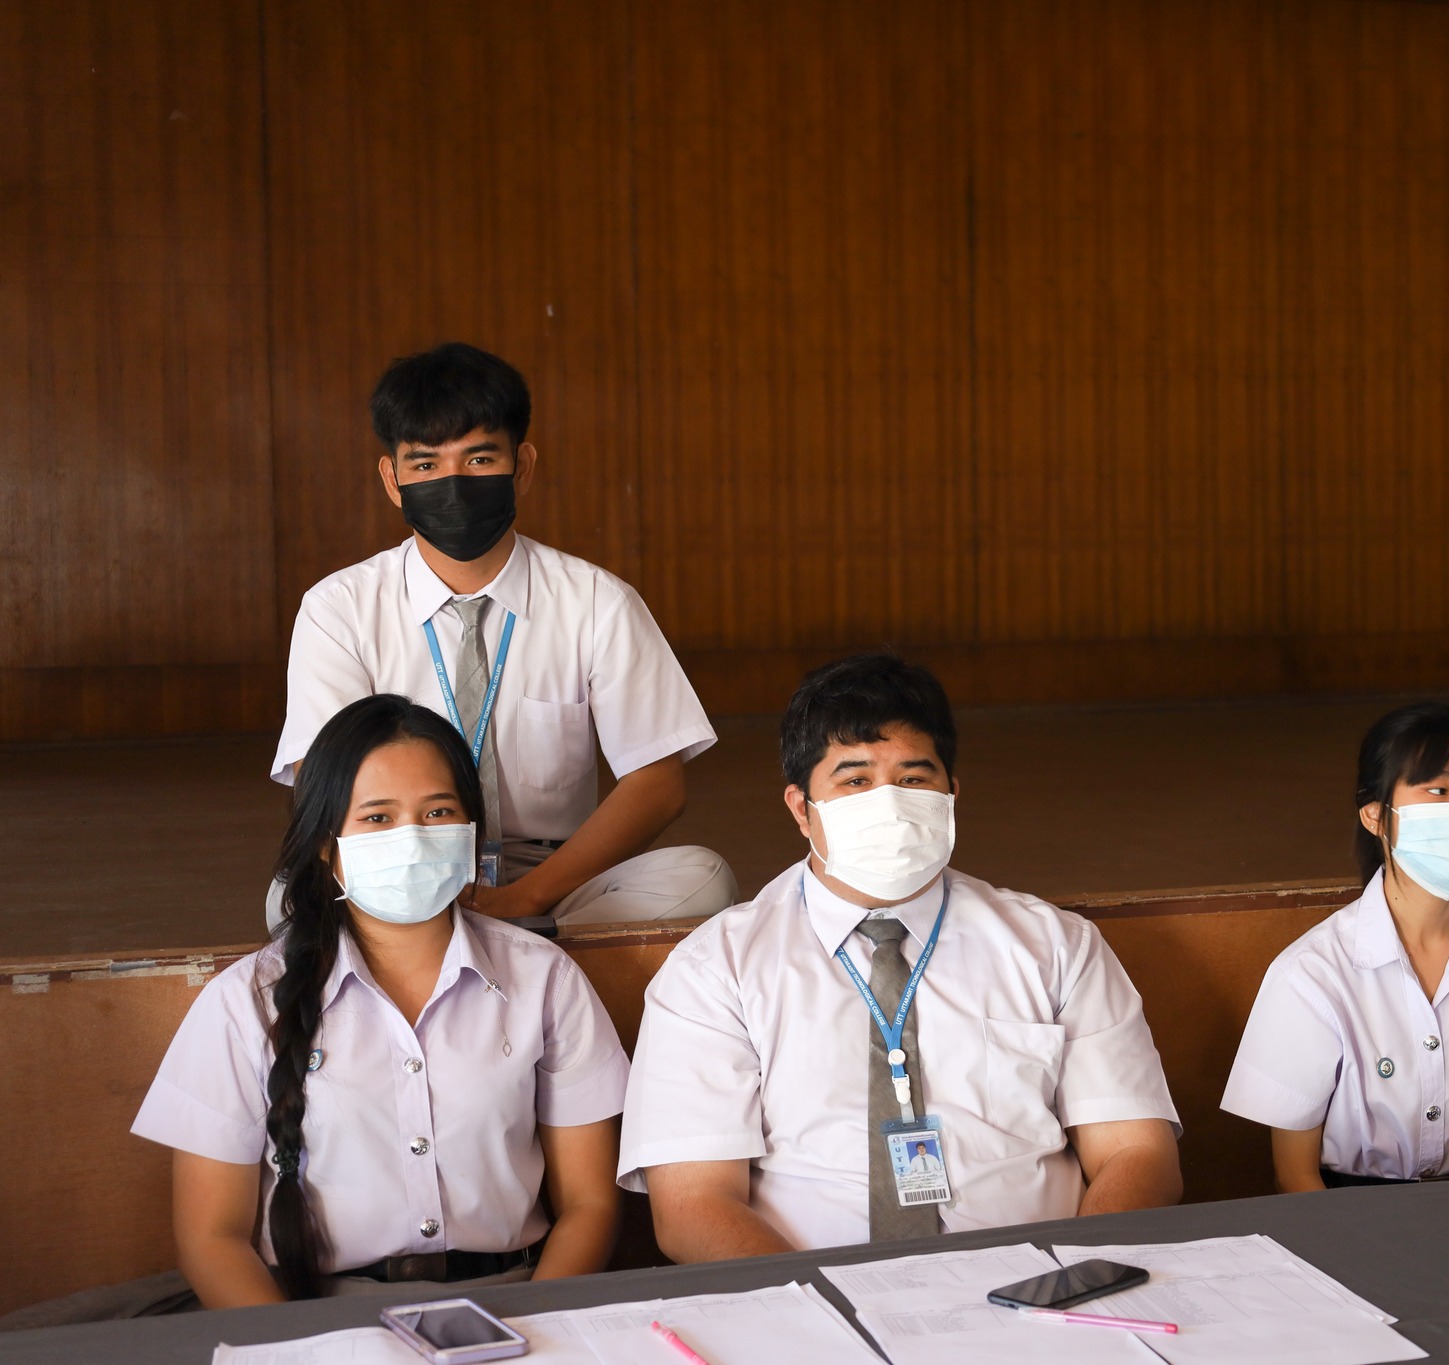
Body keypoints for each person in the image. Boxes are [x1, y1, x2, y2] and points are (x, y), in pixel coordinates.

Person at [618, 653, 1182, 1260]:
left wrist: (1070, 1278)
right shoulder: (716, 968)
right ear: (801, 809)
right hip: (814, 1313)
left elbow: (1138, 1154)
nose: (888, 804)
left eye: (914, 780)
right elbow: (693, 1208)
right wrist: (830, 1314)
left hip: (1039, 1289)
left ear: (951, 796)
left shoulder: (1054, 946)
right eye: (854, 781)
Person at [134, 695, 629, 1307]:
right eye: (377, 818)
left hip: (517, 1301)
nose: (414, 840)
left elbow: (591, 1206)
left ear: (472, 829)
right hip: (319, 1319)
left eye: (438, 811)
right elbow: (212, 1240)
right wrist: (304, 1354)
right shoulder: (243, 1004)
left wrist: (534, 1332)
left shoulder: (545, 980)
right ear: (324, 844)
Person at [268, 343, 733, 927]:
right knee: (287, 899)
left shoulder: (596, 601)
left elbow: (658, 784)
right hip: (400, 864)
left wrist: (528, 896)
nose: (453, 483)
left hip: (552, 878)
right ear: (392, 479)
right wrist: (403, 889)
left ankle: (500, 943)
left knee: (700, 877)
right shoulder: (339, 608)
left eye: (480, 460)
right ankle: (499, 950)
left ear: (524, 466)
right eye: (426, 465)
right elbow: (322, 776)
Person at [1221, 702, 1449, 1189]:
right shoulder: (1311, 973)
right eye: (1439, 790)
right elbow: (1296, 1177)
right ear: (1376, 814)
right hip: (1342, 1220)